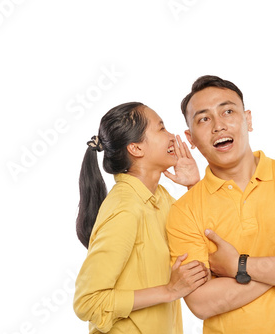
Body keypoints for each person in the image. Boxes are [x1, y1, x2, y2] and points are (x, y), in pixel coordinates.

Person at [166, 76, 275, 333]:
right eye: (204, 119)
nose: (218, 125)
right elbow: (202, 303)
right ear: (190, 137)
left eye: (228, 111)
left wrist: (239, 267)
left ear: (248, 119)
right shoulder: (184, 212)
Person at [73, 102, 210, 334]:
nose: (172, 137)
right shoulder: (125, 209)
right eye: (161, 128)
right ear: (136, 148)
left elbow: (201, 238)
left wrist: (193, 186)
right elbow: (88, 302)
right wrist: (169, 291)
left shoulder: (160, 198)